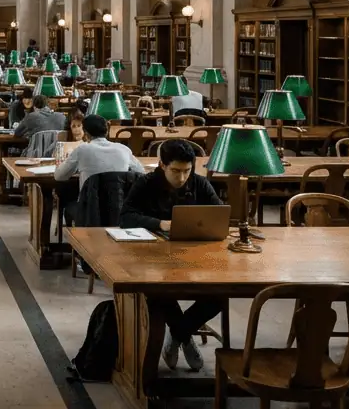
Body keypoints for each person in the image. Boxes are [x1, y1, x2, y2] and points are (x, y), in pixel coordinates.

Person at [119, 139, 225, 372]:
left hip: (194, 255)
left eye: (187, 171)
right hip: (152, 256)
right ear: (161, 165)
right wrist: (160, 224)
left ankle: (178, 335)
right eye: (175, 171)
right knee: (158, 292)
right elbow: (126, 216)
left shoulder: (199, 183)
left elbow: (218, 213)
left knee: (220, 295)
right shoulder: (145, 183)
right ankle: (185, 339)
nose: (182, 177)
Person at [54, 114, 145, 189]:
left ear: (86, 134)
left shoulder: (82, 150)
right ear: (107, 132)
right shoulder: (124, 149)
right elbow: (141, 173)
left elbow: (59, 176)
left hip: (89, 208)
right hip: (118, 207)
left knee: (64, 193)